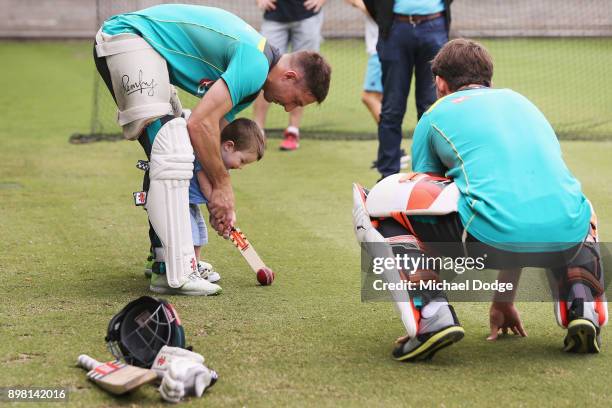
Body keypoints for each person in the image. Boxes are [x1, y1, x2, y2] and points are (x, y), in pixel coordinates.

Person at [352, 39, 606, 361]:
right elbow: (520, 202)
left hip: (486, 236)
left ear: (440, 83)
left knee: (378, 204)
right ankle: (582, 303)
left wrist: (433, 281)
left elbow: (422, 201)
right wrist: (503, 299)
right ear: (489, 80)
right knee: (573, 206)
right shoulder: (525, 104)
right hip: (566, 235)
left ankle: (431, 311)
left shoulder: (433, 116)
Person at [93, 4, 331, 295]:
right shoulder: (255, 65)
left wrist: (217, 202)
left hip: (143, 49)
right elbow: (200, 125)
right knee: (170, 150)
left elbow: (209, 139)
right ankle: (170, 271)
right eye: (296, 100)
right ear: (290, 77)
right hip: (128, 39)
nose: (290, 108)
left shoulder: (253, 79)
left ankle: (164, 258)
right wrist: (222, 186)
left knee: (172, 151)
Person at [151, 117, 266, 295]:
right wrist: (216, 206)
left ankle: (193, 266)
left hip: (191, 203)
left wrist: (222, 214)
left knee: (199, 232)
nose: (241, 167)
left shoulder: (222, 165)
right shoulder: (208, 159)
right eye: (242, 161)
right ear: (228, 146)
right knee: (192, 235)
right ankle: (189, 271)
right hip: (179, 201)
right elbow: (204, 183)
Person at [364, 0, 451, 179]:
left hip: (434, 26)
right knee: (391, 108)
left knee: (430, 107)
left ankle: (431, 174)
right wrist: (385, 18)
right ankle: (387, 176)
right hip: (396, 28)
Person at [253, 0, 327, 151]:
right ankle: (257, 131)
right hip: (274, 16)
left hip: (308, 15)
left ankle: (293, 131)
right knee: (264, 72)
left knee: (305, 77)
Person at [345, 0, 410, 170]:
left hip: (381, 48)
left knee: (369, 97)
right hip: (381, 47)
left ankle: (395, 150)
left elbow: (372, 8)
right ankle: (392, 151)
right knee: (379, 99)